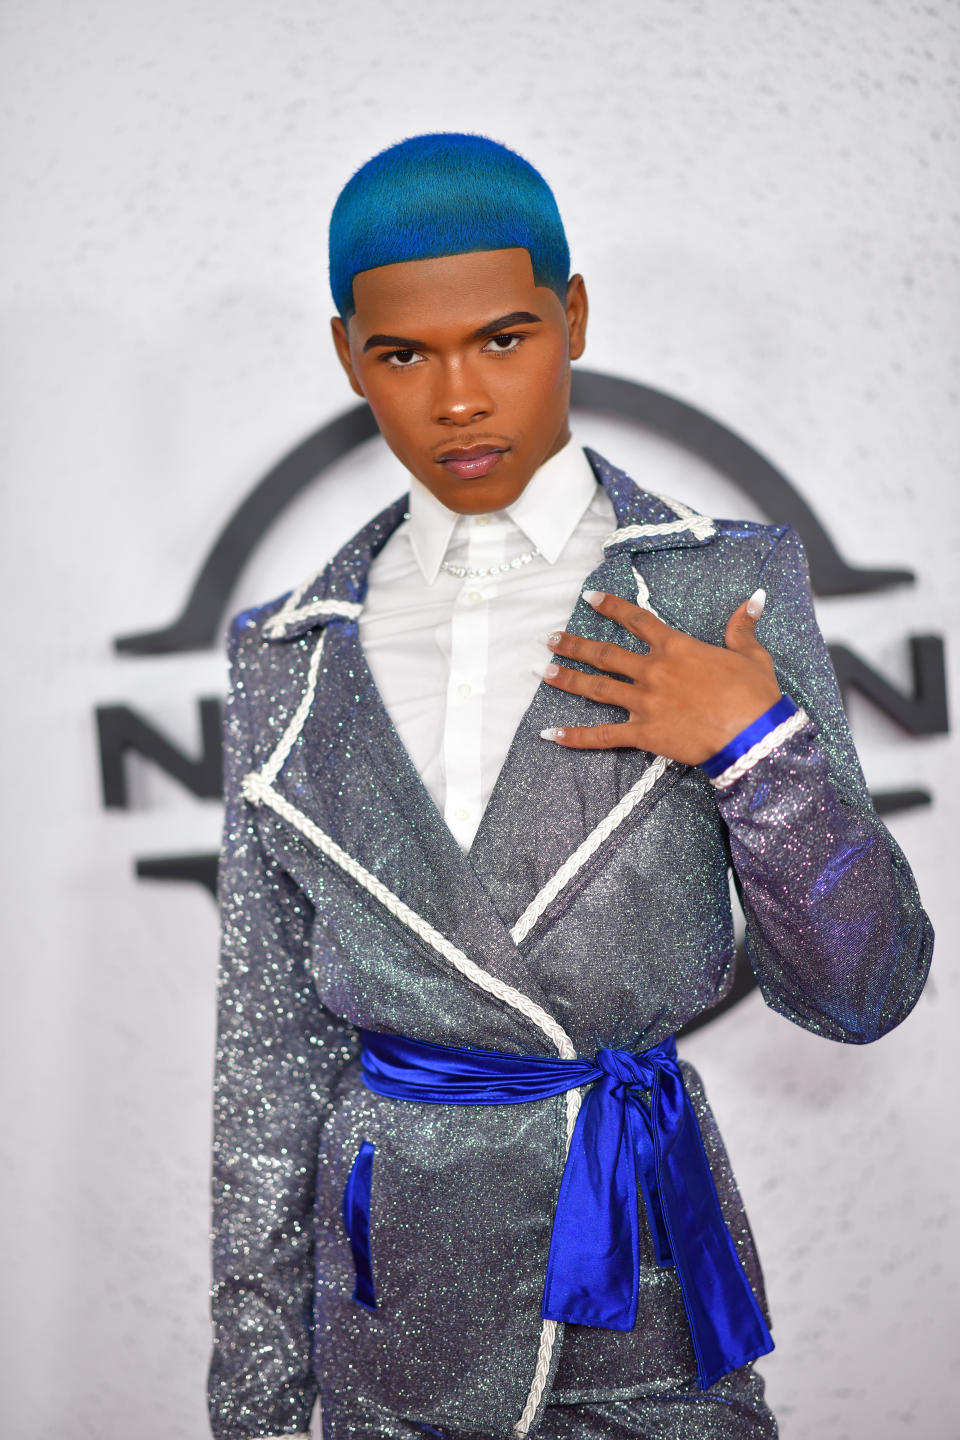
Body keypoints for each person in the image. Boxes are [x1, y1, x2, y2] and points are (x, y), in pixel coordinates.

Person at [207, 133, 933, 1440]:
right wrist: (257, 1409)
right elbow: (265, 1082)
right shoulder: (284, 652)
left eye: (502, 338)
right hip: (393, 1331)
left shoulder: (719, 586)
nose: (459, 399)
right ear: (345, 356)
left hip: (643, 1290)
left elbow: (863, 988)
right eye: (403, 356)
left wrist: (757, 750)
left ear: (574, 315)